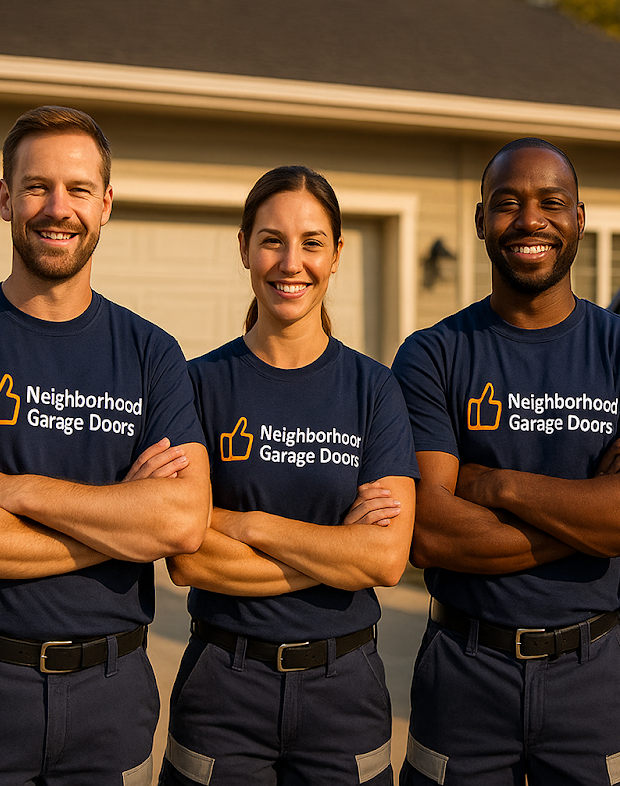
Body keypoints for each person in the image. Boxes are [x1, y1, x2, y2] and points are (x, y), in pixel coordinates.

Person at [0, 105, 212, 785]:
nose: (57, 208)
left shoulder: (152, 355)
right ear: (5, 198)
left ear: (107, 204)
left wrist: (10, 489)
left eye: (78, 189)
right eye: (36, 187)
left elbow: (181, 521)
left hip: (110, 697)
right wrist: (124, 520)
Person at [391, 138, 620, 785]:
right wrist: (599, 510)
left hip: (593, 673)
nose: (531, 220)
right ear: (480, 221)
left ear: (580, 218)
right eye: (508, 204)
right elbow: (431, 531)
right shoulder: (432, 355)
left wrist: (495, 484)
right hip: (465, 671)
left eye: (552, 203)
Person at [158, 165, 418, 786]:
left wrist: (244, 524)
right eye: (272, 240)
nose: (290, 262)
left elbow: (384, 559)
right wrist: (335, 553)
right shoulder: (196, 385)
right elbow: (189, 558)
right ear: (244, 247)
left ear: (336, 255)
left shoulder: (374, 390)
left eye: (311, 242)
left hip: (344, 689)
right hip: (224, 682)